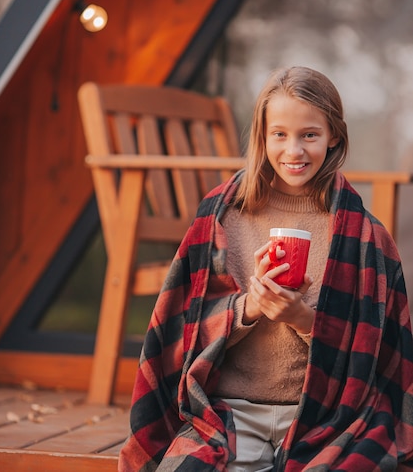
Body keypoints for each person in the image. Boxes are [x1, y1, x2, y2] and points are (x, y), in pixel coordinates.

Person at [118, 66, 413, 471]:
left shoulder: (364, 235)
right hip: (229, 414)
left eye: (309, 134)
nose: (294, 151)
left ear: (333, 138)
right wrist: (249, 308)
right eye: (279, 134)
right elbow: (182, 326)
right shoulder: (223, 216)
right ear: (262, 136)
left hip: (325, 417)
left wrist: (304, 319)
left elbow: (375, 353)